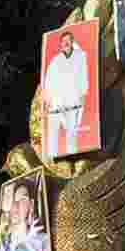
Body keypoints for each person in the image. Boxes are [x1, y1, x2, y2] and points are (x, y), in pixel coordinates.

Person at [43, 30, 89, 158]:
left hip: (72, 100)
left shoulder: (80, 56)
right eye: (63, 41)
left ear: (72, 42)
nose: (65, 43)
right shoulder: (55, 61)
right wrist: (47, 100)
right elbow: (48, 81)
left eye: (68, 41)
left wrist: (83, 94)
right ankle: (52, 154)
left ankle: (72, 154)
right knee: (53, 130)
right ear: (61, 44)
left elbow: (83, 76)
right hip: (56, 102)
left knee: (71, 131)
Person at [0, 181, 51, 251]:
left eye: (22, 199)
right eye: (13, 201)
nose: (16, 205)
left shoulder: (43, 240)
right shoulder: (3, 243)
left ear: (31, 205)